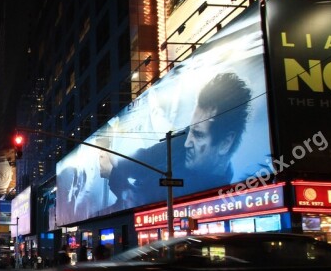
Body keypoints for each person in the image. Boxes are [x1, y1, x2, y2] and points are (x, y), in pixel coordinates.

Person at [100, 72, 252, 209]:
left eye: (198, 135)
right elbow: (146, 156)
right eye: (190, 131)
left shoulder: (206, 192)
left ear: (225, 143)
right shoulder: (185, 140)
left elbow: (135, 200)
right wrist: (119, 162)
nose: (187, 143)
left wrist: (113, 173)